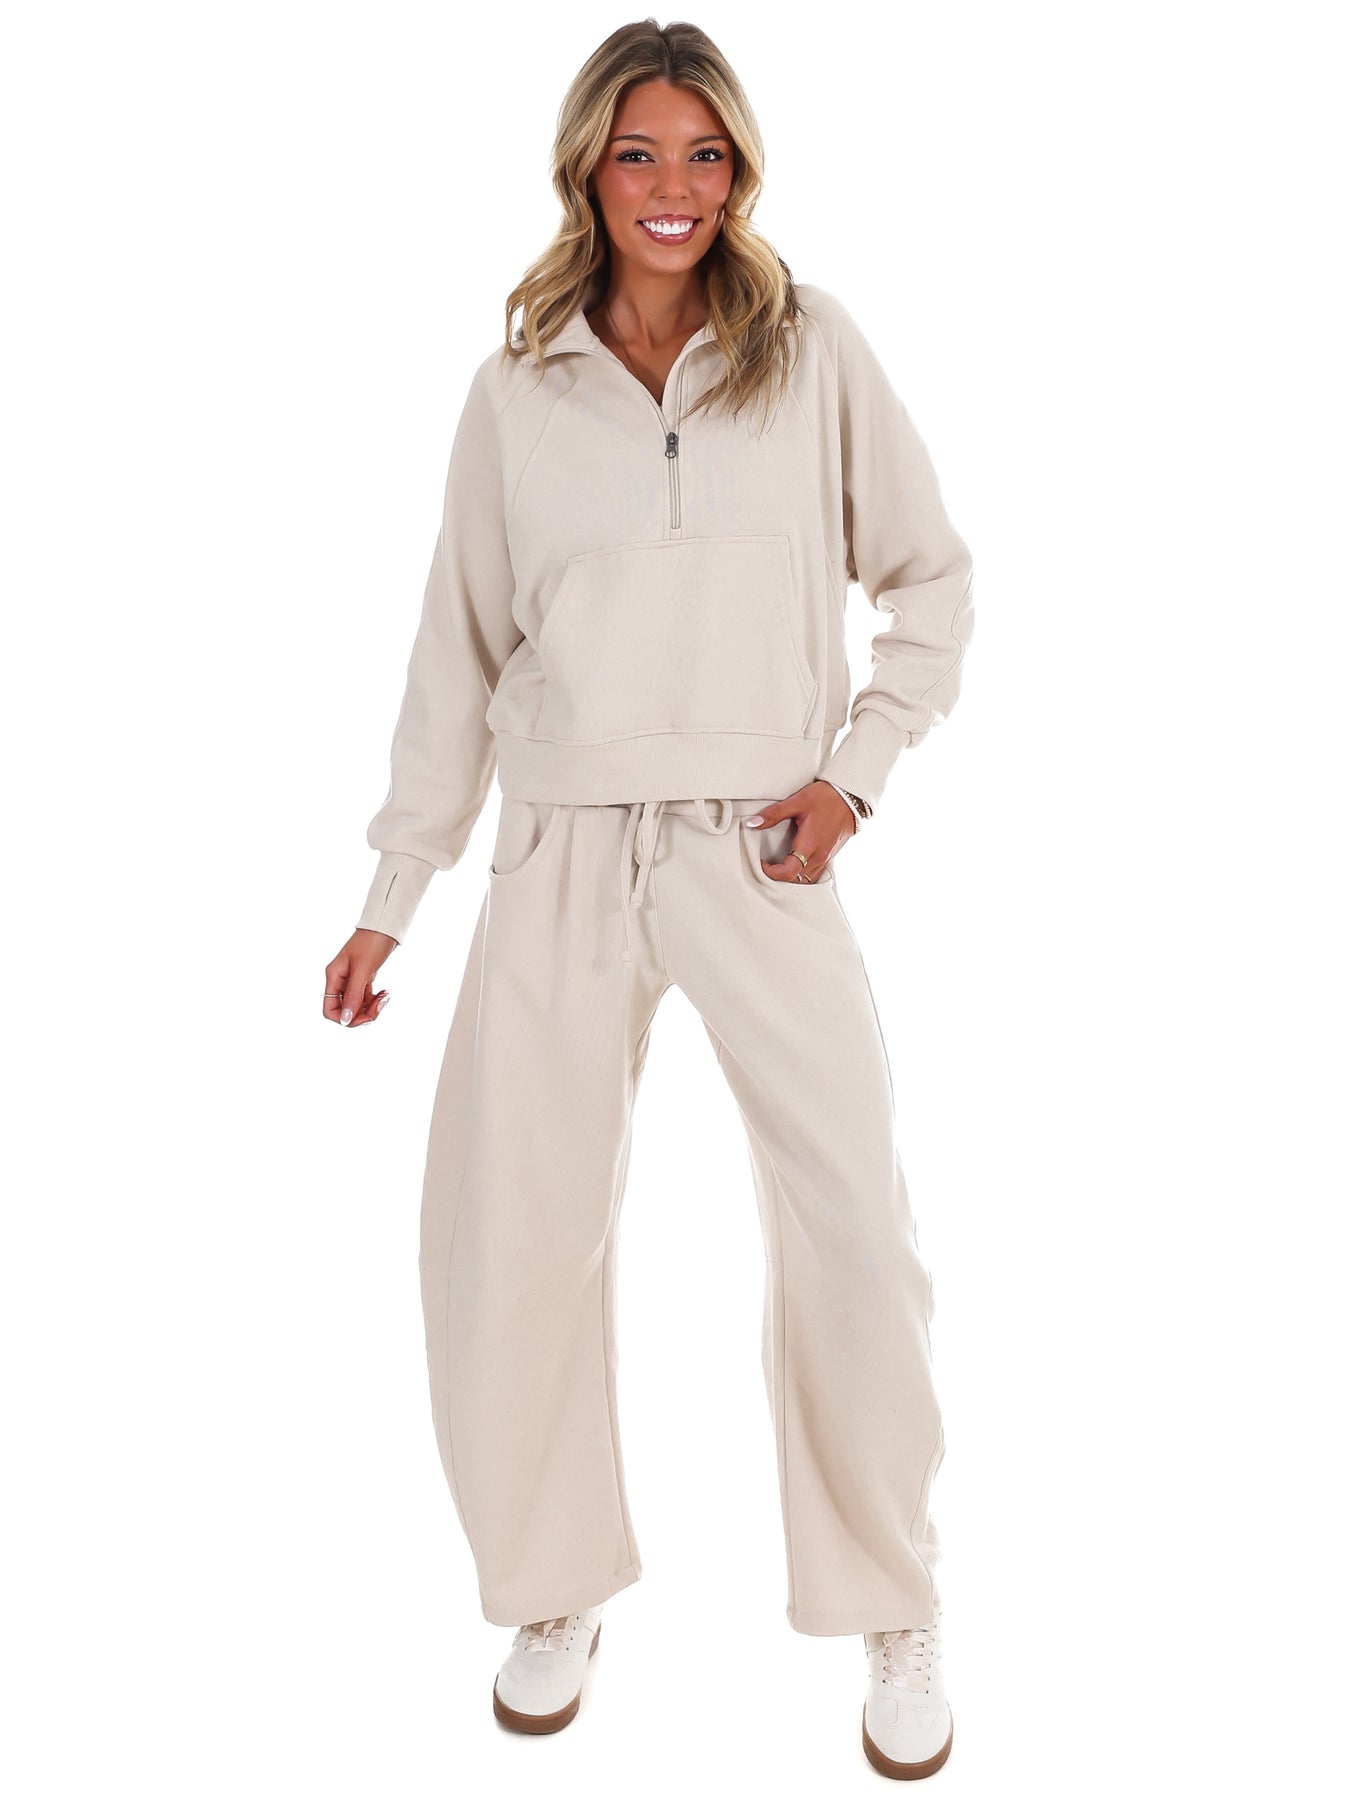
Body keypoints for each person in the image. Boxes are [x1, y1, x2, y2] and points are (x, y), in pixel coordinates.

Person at [324, 20, 973, 1782]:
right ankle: (553, 1587)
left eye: (701, 153)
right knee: (504, 1235)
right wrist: (394, 888)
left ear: (737, 169)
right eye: (637, 153)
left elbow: (929, 581)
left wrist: (853, 775)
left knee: (853, 1232)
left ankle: (892, 1596)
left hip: (755, 843)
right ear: (585, 171)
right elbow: (458, 651)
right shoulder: (516, 386)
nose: (671, 187)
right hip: (557, 844)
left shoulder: (812, 349)